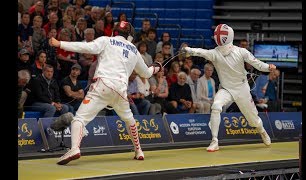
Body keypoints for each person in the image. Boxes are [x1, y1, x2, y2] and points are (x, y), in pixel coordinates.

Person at [49, 21, 162, 165]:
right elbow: (146, 73)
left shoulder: (106, 41)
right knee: (129, 119)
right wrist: (156, 68)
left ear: (115, 32)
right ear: (130, 37)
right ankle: (139, 151)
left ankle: (75, 149)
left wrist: (60, 44)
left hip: (102, 86)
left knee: (79, 118)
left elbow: (86, 47)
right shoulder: (134, 50)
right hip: (120, 91)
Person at [182, 24, 277, 152]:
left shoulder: (241, 51)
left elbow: (256, 63)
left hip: (242, 90)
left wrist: (268, 67)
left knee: (253, 121)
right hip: (226, 89)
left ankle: (262, 131)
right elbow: (201, 52)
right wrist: (188, 50)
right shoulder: (215, 53)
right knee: (216, 106)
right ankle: (214, 141)